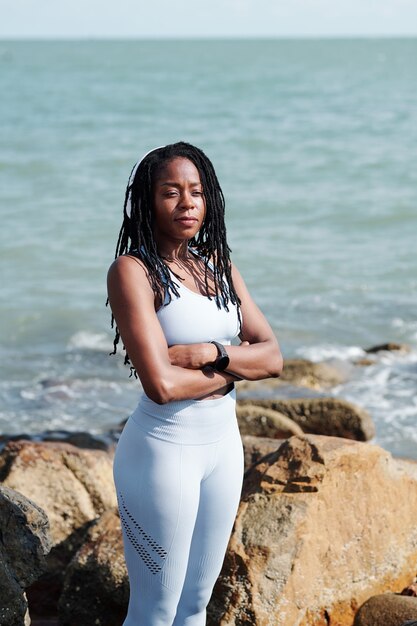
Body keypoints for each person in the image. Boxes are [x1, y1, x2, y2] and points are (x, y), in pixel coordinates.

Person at [107, 141, 283, 626]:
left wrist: (212, 354)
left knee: (194, 609)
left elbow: (273, 356)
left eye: (197, 192)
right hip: (163, 452)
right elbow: (160, 386)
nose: (187, 203)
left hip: (224, 448)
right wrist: (235, 371)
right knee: (154, 612)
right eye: (171, 192)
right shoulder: (133, 272)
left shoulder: (220, 267)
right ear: (148, 201)